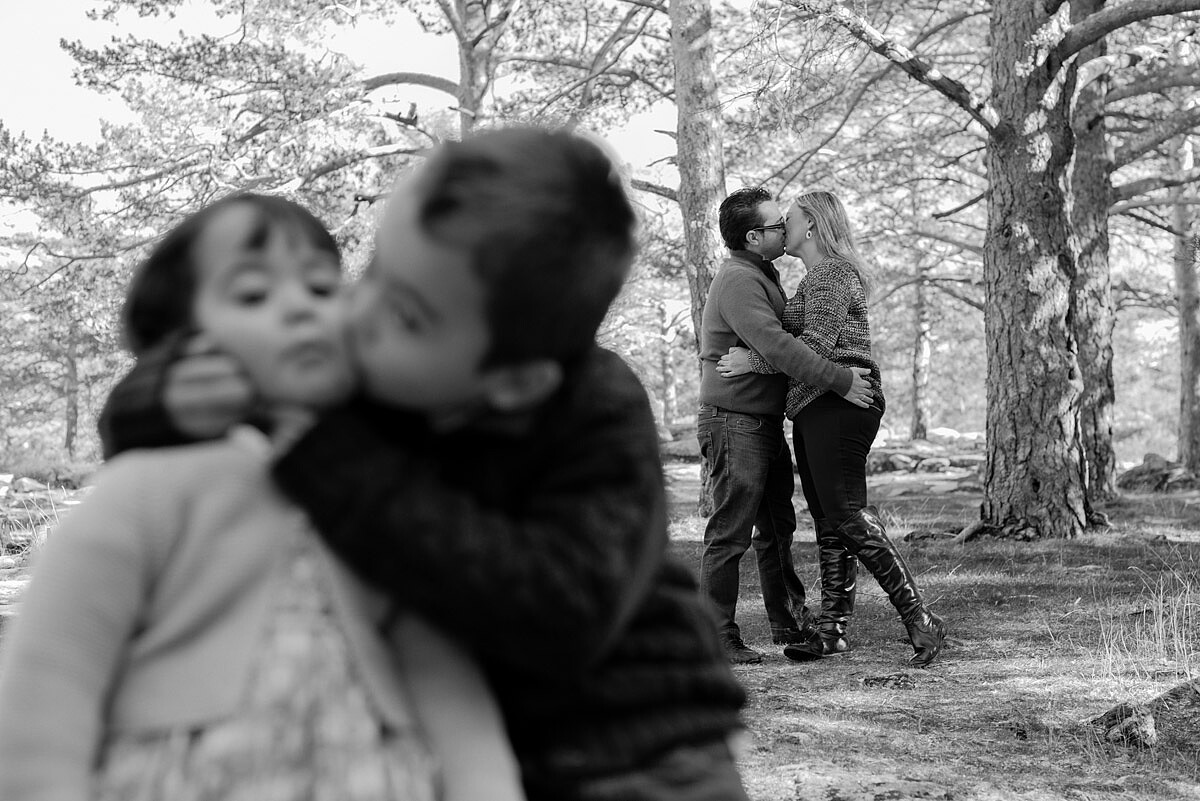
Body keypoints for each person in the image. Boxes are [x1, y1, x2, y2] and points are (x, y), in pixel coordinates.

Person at [97, 128, 752, 801]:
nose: (360, 311)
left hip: (636, 751)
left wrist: (326, 456)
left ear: (513, 381)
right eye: (377, 268)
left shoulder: (594, 409)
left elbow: (564, 614)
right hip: (458, 747)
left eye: (406, 313)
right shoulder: (371, 368)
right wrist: (164, 398)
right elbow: (184, 400)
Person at [0, 194, 526, 801]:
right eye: (252, 294)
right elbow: (53, 676)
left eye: (323, 289)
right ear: (181, 341)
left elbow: (439, 672)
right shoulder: (145, 490)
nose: (300, 308)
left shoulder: (375, 490)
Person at [717, 189, 948, 667]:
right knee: (828, 521)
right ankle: (831, 631)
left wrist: (749, 361)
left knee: (845, 513)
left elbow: (816, 346)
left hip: (839, 404)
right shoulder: (813, 280)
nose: (784, 226)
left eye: (790, 219)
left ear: (813, 227)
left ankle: (920, 618)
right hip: (815, 405)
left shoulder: (831, 277)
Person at [698, 186, 874, 665]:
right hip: (735, 420)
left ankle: (789, 623)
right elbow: (779, 346)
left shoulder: (766, 273)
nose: (784, 228)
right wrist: (839, 380)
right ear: (754, 237)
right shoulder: (739, 279)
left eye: (786, 220)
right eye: (776, 224)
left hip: (762, 421)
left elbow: (792, 336)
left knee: (777, 529)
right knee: (730, 531)